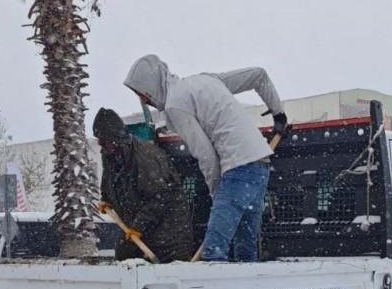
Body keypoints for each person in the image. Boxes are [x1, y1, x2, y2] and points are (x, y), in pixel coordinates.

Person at [123, 54, 287, 262]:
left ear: (151, 87)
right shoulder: (205, 80)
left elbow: (206, 155)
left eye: (142, 94)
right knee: (245, 249)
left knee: (213, 251)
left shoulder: (175, 105)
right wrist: (279, 114)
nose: (143, 101)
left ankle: (216, 284)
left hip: (238, 168)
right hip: (260, 166)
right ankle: (245, 283)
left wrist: (216, 193)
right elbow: (258, 75)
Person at [92, 108, 194, 262]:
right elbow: (108, 180)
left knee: (169, 270)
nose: (100, 144)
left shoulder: (146, 156)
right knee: (124, 258)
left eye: (103, 139)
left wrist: (137, 227)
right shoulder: (110, 155)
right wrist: (106, 198)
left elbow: (159, 198)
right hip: (137, 229)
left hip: (168, 234)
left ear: (115, 138)